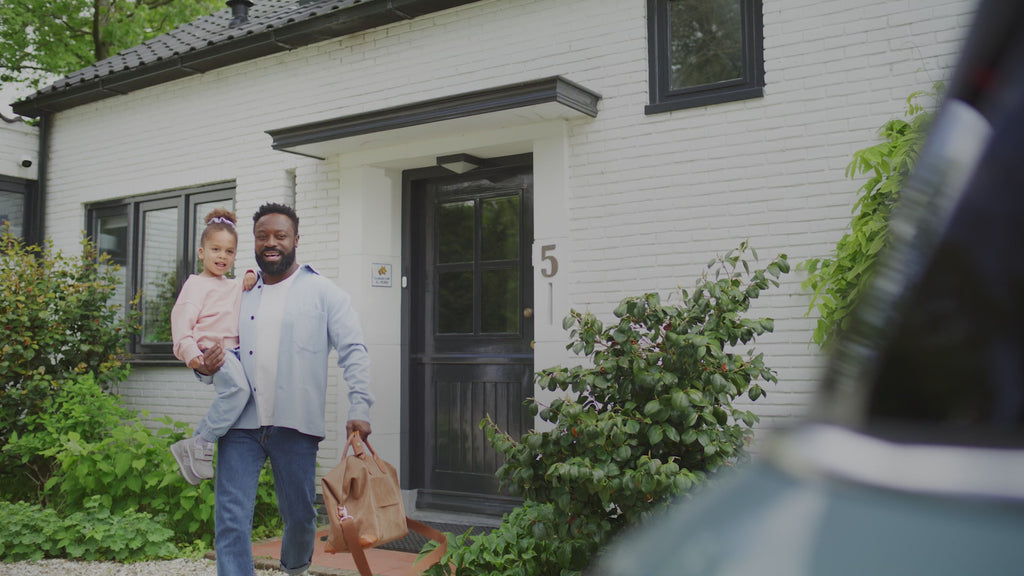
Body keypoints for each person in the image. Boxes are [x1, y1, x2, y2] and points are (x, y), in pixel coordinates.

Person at [197, 202, 374, 576]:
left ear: (296, 239)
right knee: (230, 517)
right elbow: (211, 344)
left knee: (300, 516)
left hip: (295, 425)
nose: (271, 243)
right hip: (239, 425)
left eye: (280, 235)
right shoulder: (238, 293)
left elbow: (354, 350)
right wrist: (204, 367)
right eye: (262, 236)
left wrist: (360, 407)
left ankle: (295, 570)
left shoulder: (323, 292)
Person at [169, 209, 257, 485]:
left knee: (245, 395)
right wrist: (195, 358)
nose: (222, 256)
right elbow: (181, 328)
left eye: (229, 251)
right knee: (239, 390)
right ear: (201, 252)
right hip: (212, 351)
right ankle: (203, 440)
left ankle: (196, 451)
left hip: (237, 352)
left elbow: (251, 281)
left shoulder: (232, 285)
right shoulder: (195, 285)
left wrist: (251, 274)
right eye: (215, 249)